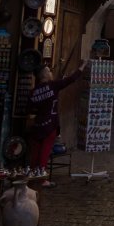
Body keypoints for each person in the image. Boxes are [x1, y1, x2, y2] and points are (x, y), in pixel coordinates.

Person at [28, 59, 86, 187]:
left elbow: (31, 108)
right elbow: (70, 79)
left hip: (38, 125)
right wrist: (82, 66)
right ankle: (42, 179)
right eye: (49, 71)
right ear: (44, 75)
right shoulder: (53, 86)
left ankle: (32, 175)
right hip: (50, 125)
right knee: (45, 152)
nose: (51, 73)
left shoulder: (33, 92)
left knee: (35, 153)